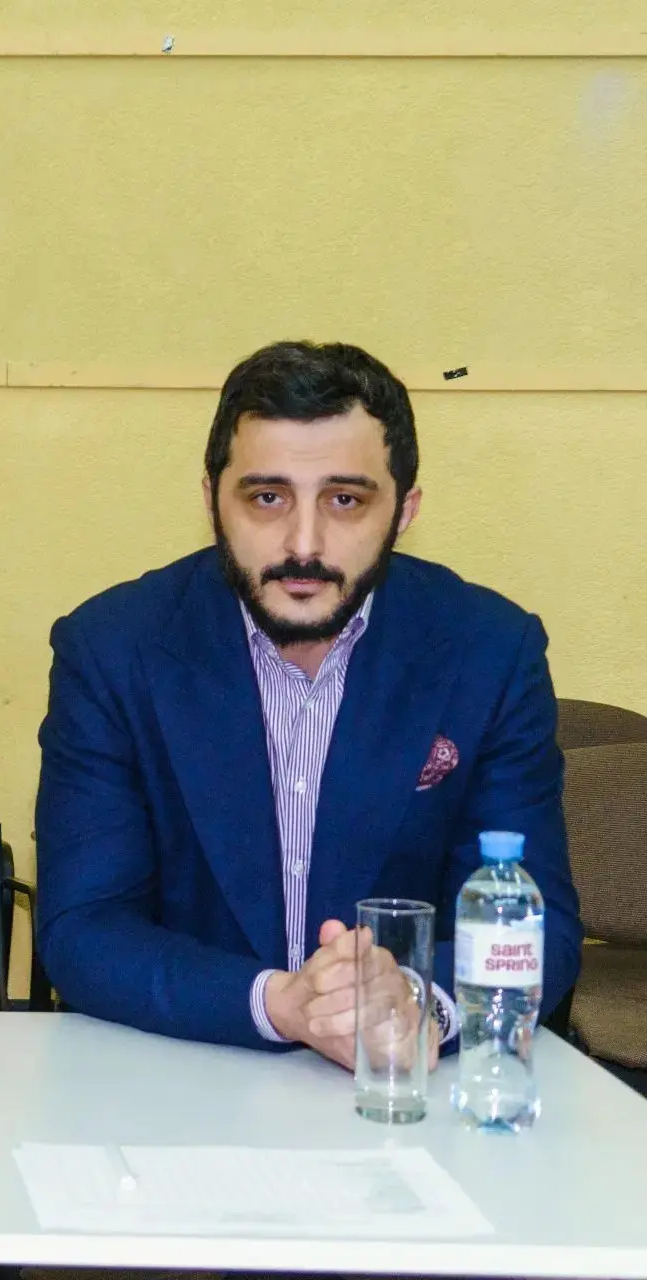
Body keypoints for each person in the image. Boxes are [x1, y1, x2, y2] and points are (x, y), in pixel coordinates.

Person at [34, 340, 582, 1065]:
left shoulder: (490, 651)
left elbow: (533, 926)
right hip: (181, 1069)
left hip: (404, 1088)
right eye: (267, 497)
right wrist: (279, 1004)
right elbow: (84, 926)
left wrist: (415, 1007)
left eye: (344, 500)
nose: (303, 543)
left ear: (405, 510)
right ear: (211, 499)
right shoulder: (113, 648)